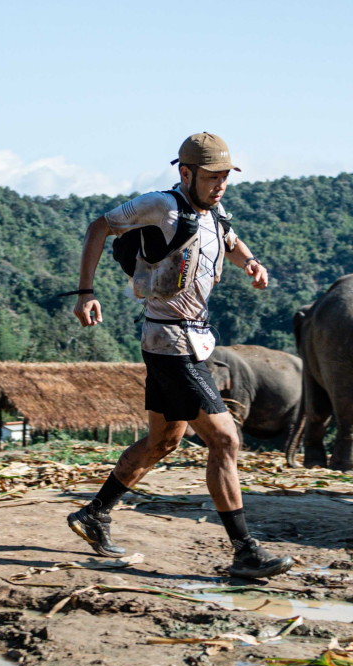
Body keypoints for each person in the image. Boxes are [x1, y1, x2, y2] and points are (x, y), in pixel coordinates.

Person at [65, 132, 294, 579]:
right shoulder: (161, 206)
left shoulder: (215, 211)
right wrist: (86, 292)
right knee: (225, 439)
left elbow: (229, 239)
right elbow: (99, 226)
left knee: (163, 442)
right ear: (185, 173)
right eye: (211, 178)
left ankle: (94, 514)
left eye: (225, 177)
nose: (220, 185)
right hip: (169, 345)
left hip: (192, 342)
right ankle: (245, 550)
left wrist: (250, 262)